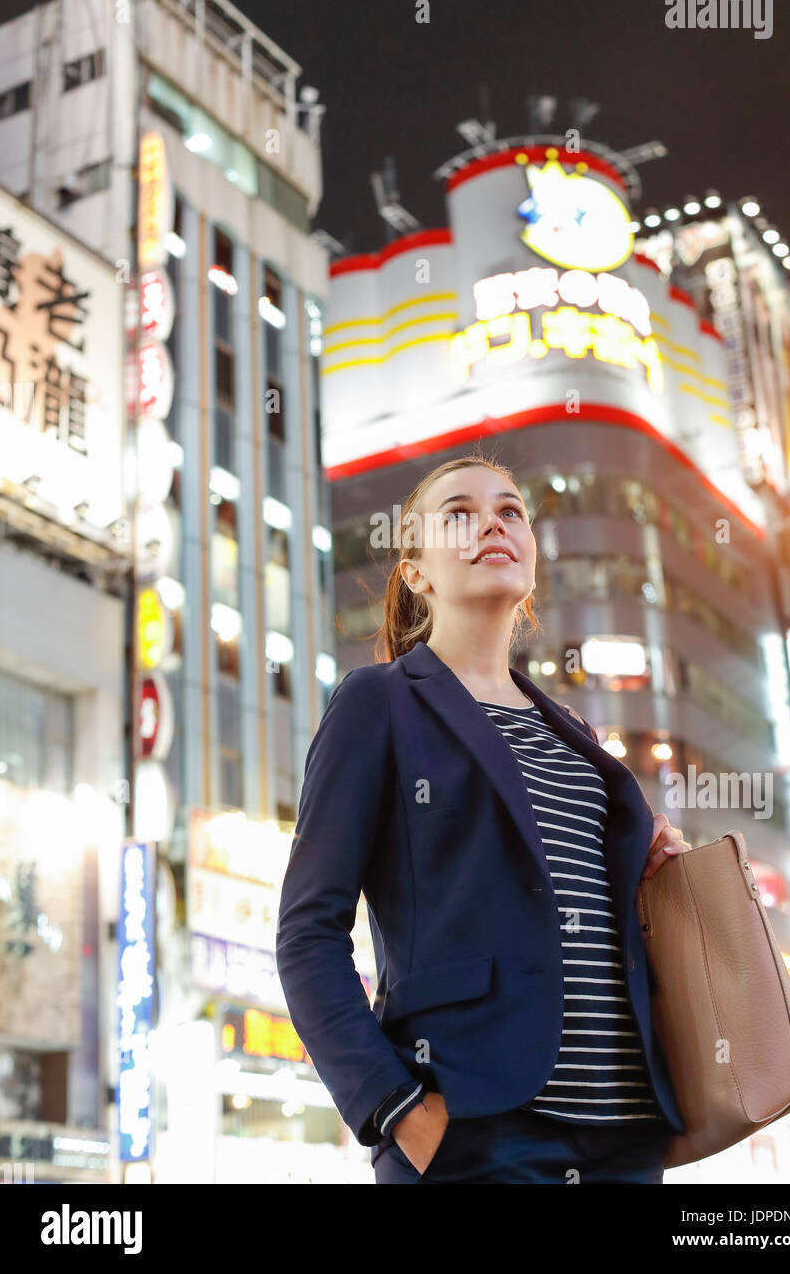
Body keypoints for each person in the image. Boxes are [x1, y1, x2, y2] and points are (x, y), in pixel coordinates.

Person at [276, 448, 691, 1183]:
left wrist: (653, 869)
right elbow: (307, 932)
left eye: (510, 512)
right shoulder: (379, 703)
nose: (491, 525)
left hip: (624, 1132)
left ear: (531, 555)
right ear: (417, 573)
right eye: (458, 514)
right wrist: (395, 1106)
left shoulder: (573, 733)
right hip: (475, 1134)